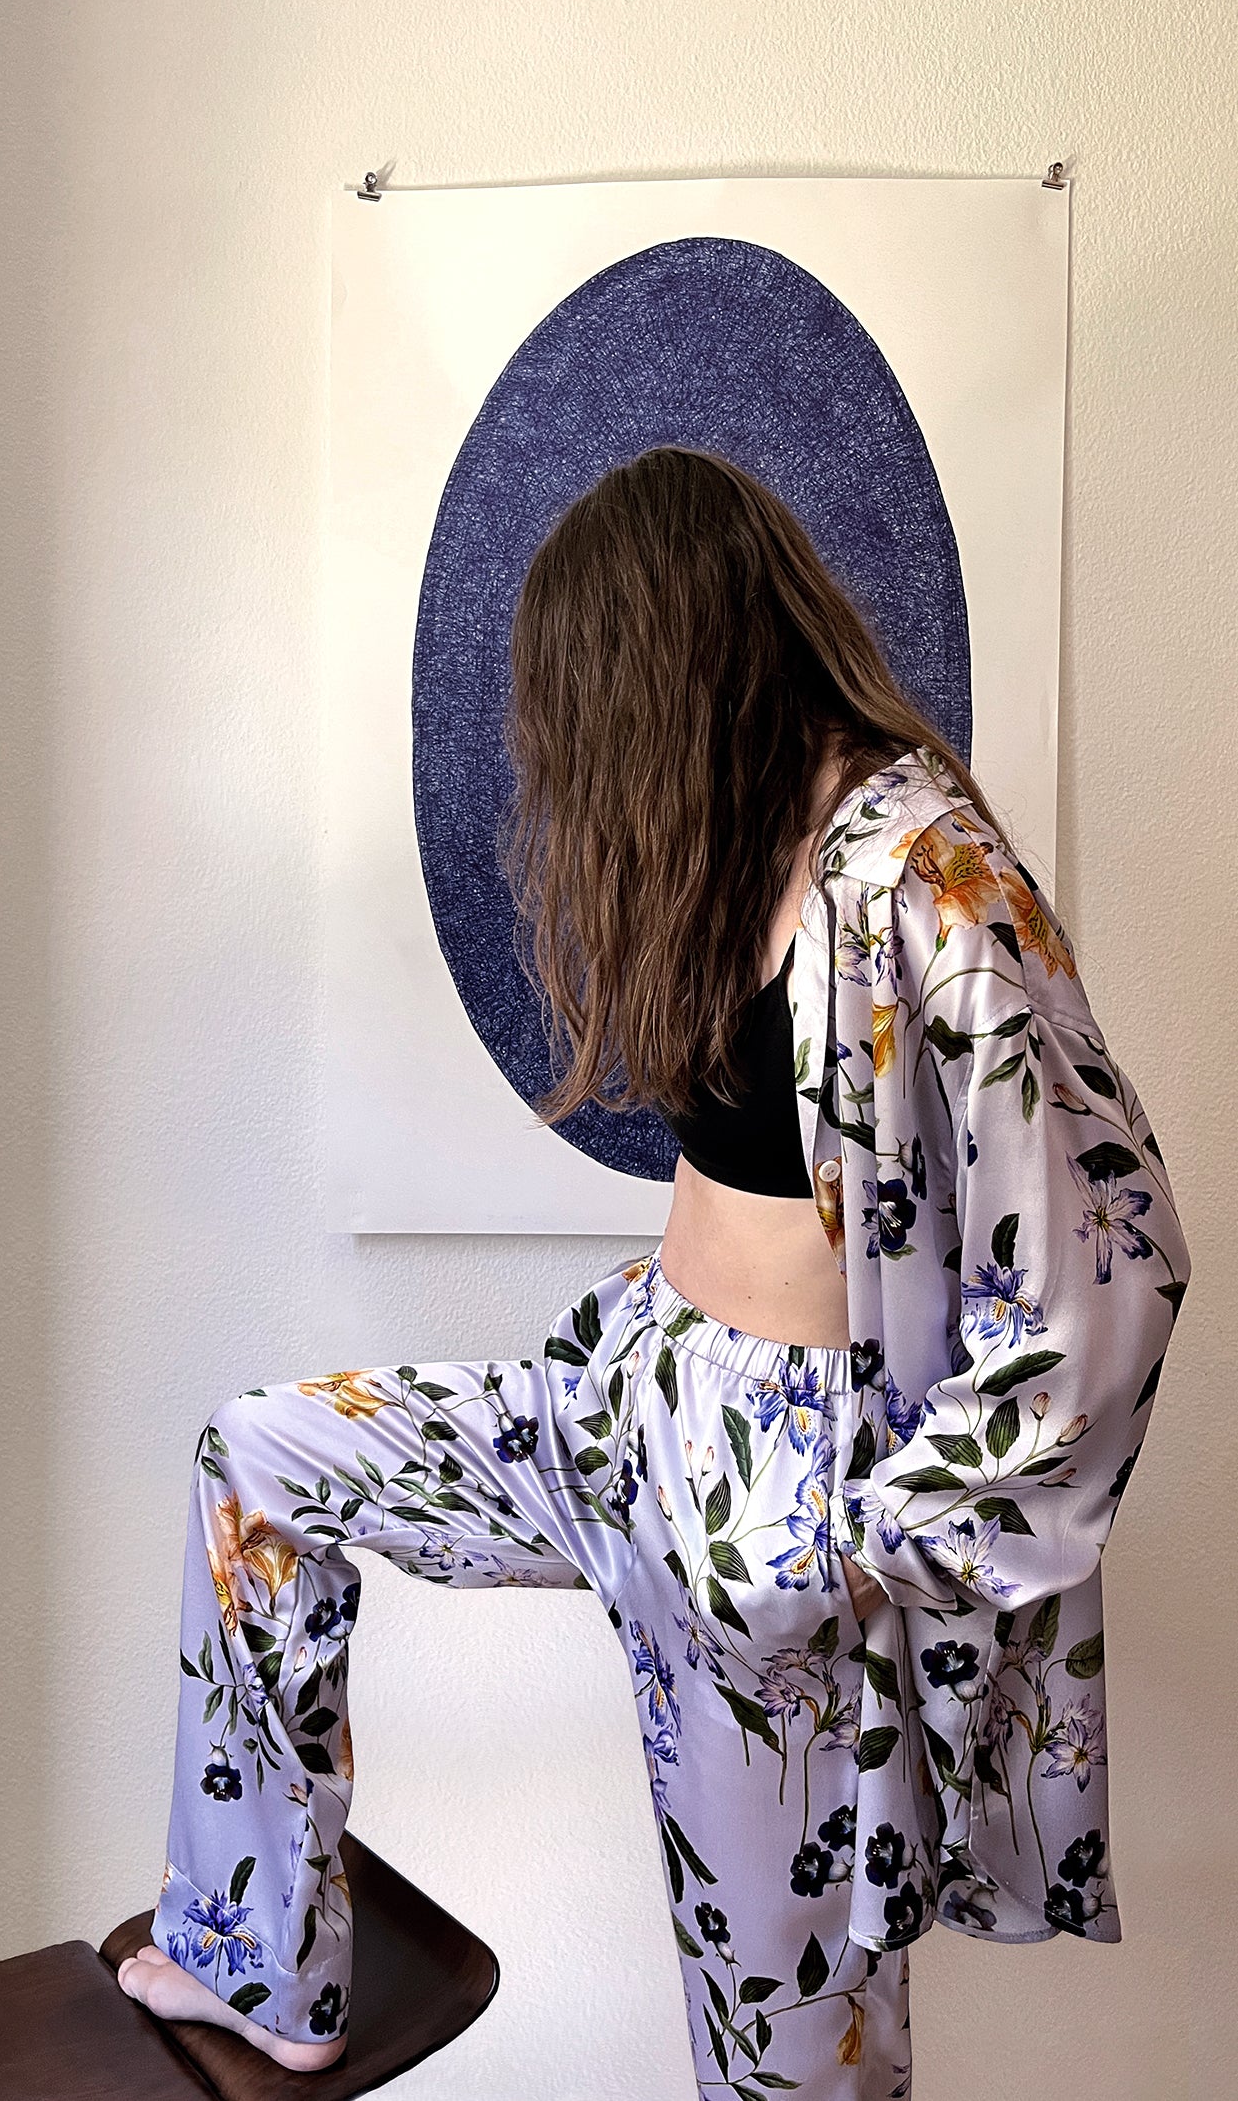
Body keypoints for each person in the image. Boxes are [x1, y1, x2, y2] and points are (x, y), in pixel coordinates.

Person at [117, 447, 1189, 2098]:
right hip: (627, 1399)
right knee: (259, 1457)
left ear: (663, 665)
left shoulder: (922, 875)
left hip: (778, 1515)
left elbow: (1109, 1260)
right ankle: (256, 1953)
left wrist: (881, 1538)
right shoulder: (741, 829)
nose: (571, 764)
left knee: (783, 2063)